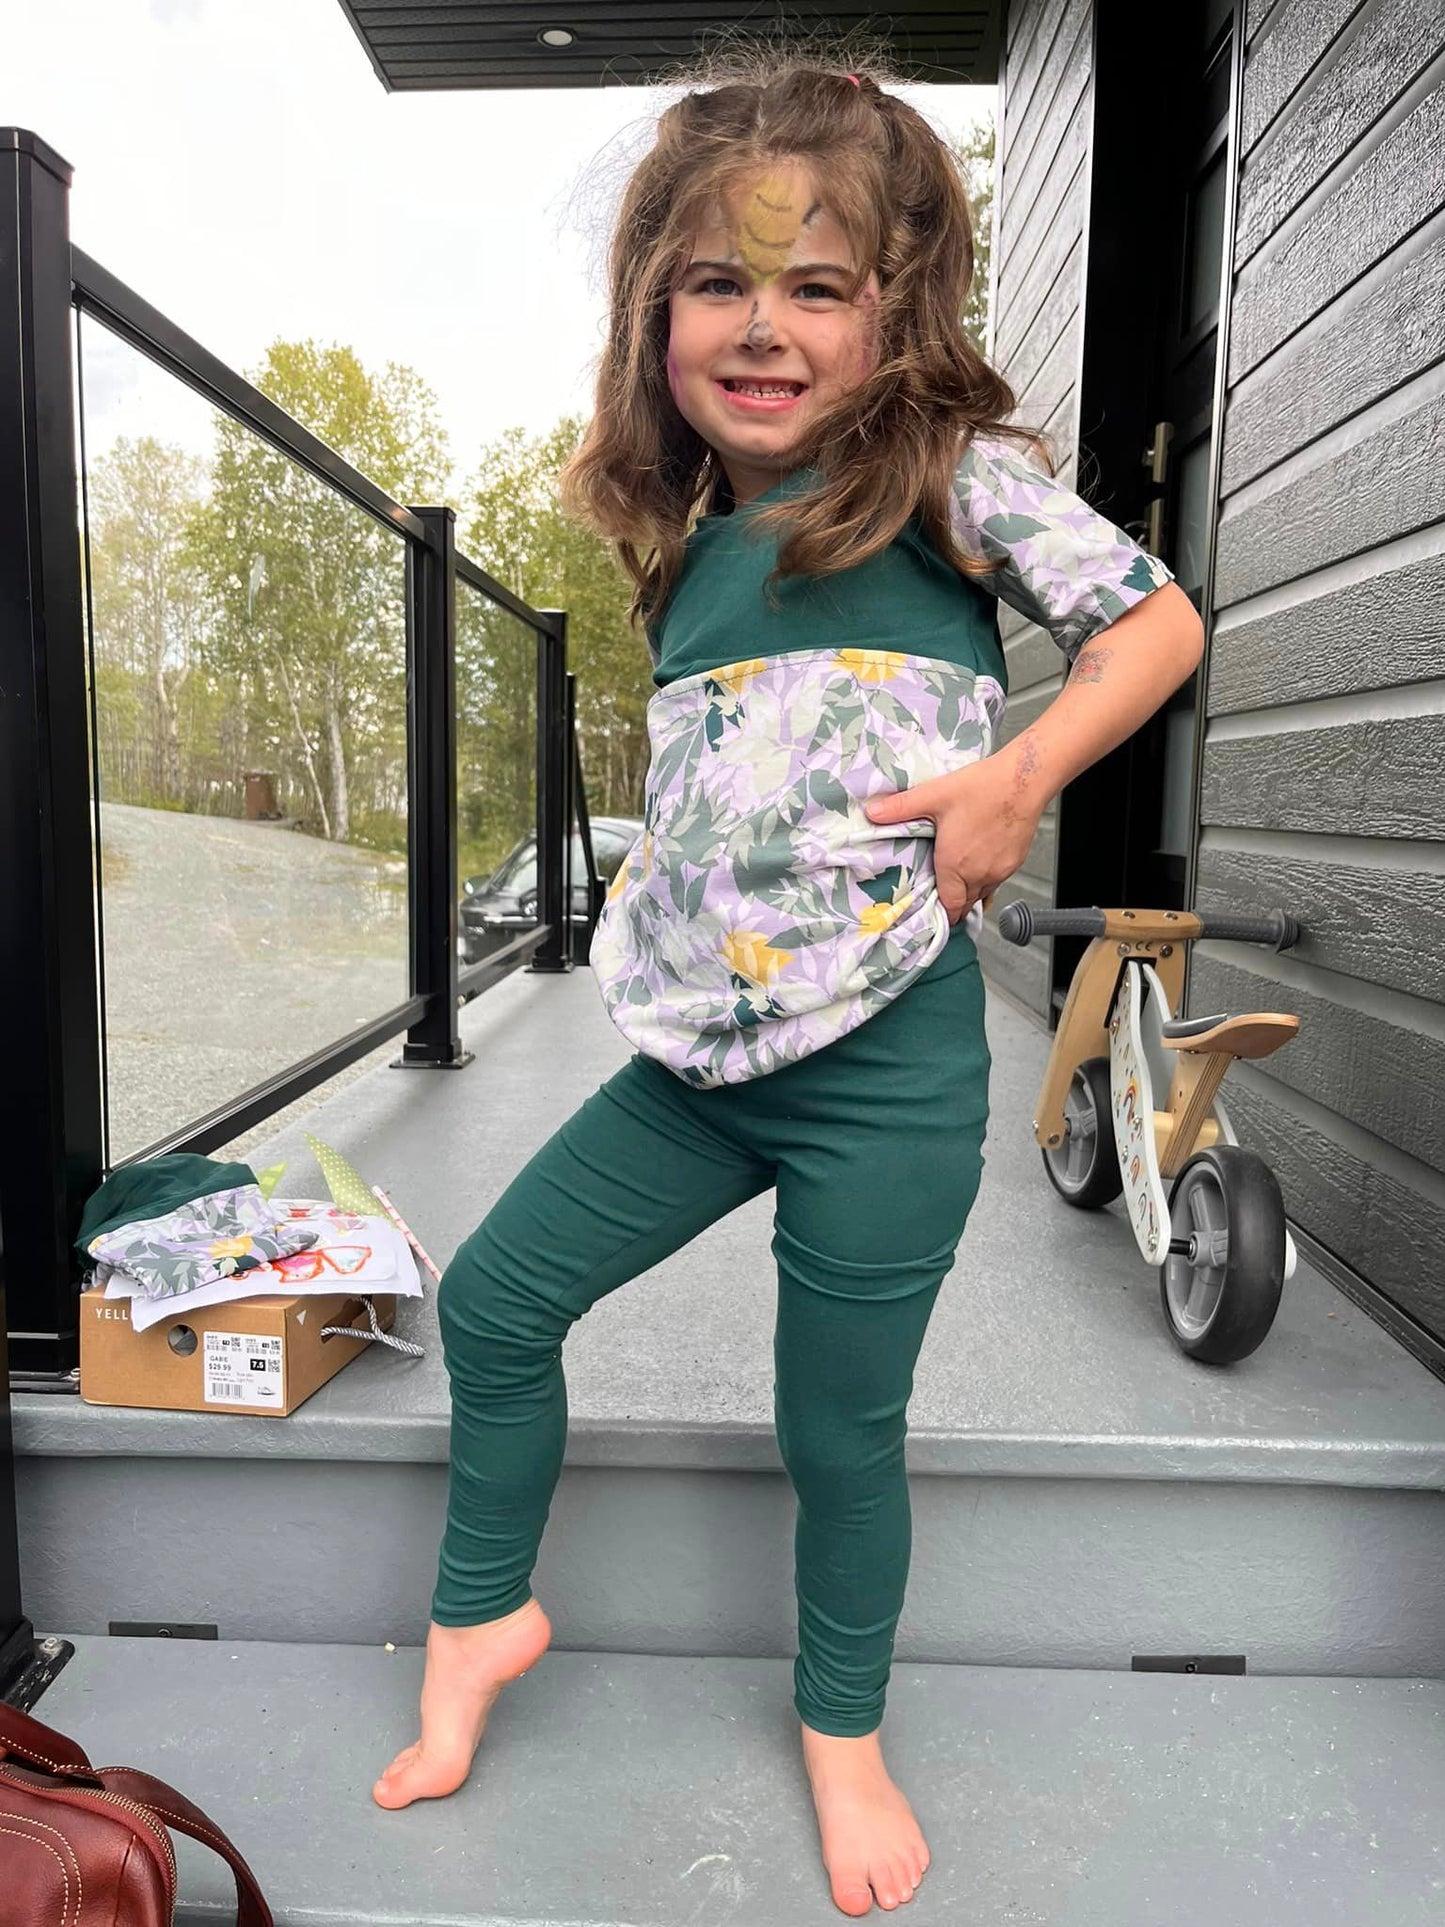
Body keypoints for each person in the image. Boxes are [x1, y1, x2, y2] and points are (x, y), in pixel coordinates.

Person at [373, 51, 1205, 1918]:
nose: (764, 327)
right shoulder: (685, 558)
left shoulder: (944, 485)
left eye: (817, 287)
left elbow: (1153, 623)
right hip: (696, 1065)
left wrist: (1014, 777)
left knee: (835, 1426)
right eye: (717, 285)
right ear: (650, 315)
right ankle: (483, 1618)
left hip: (885, 1065)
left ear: (892, 314)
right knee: (496, 1302)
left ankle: (841, 1728)